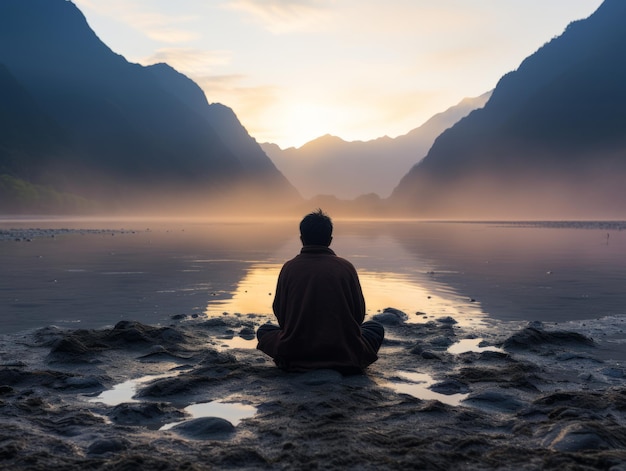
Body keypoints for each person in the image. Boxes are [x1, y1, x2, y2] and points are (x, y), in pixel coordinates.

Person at [256, 209, 384, 374]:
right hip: (344, 353)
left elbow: (281, 314)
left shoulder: (289, 267)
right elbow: (359, 315)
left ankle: (290, 361)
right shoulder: (346, 267)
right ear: (330, 240)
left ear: (302, 239)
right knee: (375, 328)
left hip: (296, 353)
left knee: (264, 331)